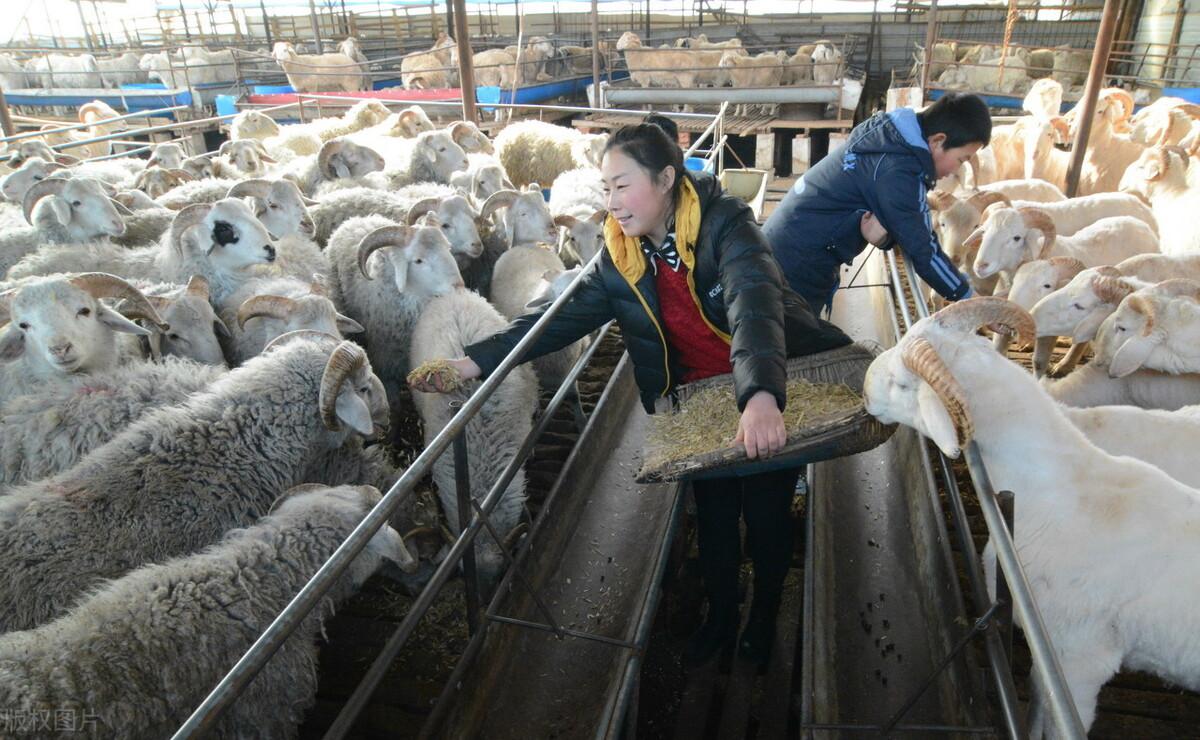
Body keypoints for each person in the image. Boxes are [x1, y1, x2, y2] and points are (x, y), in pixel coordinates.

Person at [409, 118, 851, 668]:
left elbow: (754, 302)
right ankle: (720, 616)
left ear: (666, 179)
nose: (612, 202)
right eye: (606, 188)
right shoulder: (621, 254)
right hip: (698, 402)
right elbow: (556, 318)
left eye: (623, 185)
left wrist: (761, 394)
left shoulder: (726, 226)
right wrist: (474, 360)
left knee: (764, 517)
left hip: (764, 386)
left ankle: (763, 615)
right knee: (713, 517)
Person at [763, 92, 993, 314]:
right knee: (790, 343)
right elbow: (924, 251)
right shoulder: (900, 171)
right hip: (793, 268)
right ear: (938, 141)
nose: (957, 169)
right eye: (961, 159)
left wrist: (886, 239)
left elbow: (893, 218)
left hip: (784, 251)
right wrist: (969, 298)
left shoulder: (888, 140)